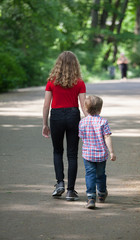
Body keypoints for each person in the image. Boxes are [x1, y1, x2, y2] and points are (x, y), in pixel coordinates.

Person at [42, 51, 87, 201]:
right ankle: (70, 191)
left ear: (58, 64)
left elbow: (46, 105)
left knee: (57, 151)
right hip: (73, 116)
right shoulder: (79, 82)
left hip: (56, 116)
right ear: (75, 65)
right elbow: (84, 106)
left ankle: (60, 183)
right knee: (72, 154)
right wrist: (91, 121)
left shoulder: (51, 82)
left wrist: (44, 124)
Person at [79, 95, 116, 209]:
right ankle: (101, 193)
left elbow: (82, 137)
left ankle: (91, 197)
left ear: (85, 108)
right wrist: (111, 152)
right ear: (100, 109)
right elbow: (107, 137)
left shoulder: (82, 122)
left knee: (90, 174)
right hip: (101, 154)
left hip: (88, 154)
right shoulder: (103, 122)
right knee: (100, 174)